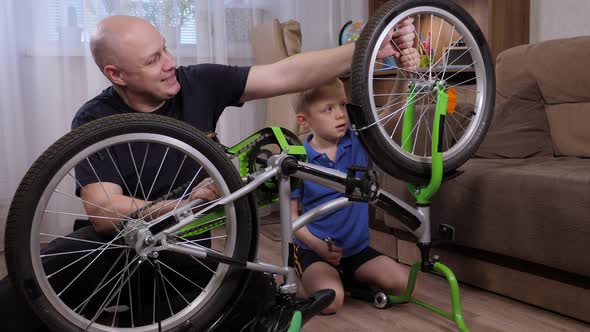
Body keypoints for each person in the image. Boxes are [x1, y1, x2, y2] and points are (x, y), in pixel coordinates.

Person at [0, 15, 417, 331]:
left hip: (189, 254)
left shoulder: (196, 83)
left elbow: (287, 73)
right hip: (119, 247)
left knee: (254, 295)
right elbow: (104, 212)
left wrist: (369, 47)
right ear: (117, 75)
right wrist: (181, 204)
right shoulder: (95, 118)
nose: (170, 63)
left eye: (165, 50)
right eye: (153, 60)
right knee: (21, 289)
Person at [289, 62, 417, 314]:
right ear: (304, 121)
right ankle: (314, 275)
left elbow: (389, 118)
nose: (340, 114)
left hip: (355, 251)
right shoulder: (298, 159)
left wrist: (405, 77)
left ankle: (348, 281)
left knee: (403, 285)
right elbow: (291, 217)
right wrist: (316, 246)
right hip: (313, 251)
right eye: (328, 109)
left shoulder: (357, 141)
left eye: (342, 105)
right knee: (331, 302)